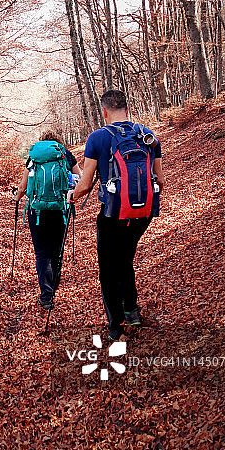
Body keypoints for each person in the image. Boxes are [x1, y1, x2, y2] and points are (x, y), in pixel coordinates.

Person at [67, 90, 164, 340]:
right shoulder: (147, 136)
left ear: (104, 111)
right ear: (127, 110)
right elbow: (160, 181)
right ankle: (131, 312)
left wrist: (71, 195)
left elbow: (85, 184)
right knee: (125, 259)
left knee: (109, 269)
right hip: (143, 213)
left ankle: (115, 326)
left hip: (112, 214)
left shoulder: (98, 138)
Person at [14, 130, 82, 310]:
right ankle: (53, 289)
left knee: (42, 253)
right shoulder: (65, 155)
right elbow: (81, 179)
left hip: (37, 212)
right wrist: (71, 193)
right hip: (60, 210)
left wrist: (17, 197)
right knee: (56, 251)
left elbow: (23, 186)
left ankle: (46, 296)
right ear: (58, 142)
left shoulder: (34, 157)